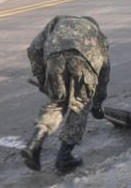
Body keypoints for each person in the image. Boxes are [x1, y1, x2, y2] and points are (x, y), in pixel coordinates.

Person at [21, 15, 110, 174]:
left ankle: (34, 144)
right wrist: (97, 104)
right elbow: (104, 75)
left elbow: (34, 49)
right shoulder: (99, 36)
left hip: (54, 57)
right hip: (84, 61)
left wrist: (43, 79)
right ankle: (64, 158)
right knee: (80, 105)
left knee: (57, 102)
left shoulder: (58, 21)